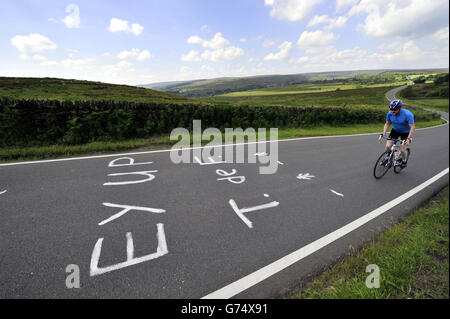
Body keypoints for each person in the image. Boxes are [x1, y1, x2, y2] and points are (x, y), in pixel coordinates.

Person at [380, 99, 415, 168]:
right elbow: (387, 124)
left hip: (405, 133)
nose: (393, 111)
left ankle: (404, 161)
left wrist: (408, 139)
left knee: (402, 149)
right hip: (395, 131)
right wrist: (383, 133)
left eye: (395, 109)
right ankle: (388, 158)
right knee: (387, 147)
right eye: (391, 109)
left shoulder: (407, 114)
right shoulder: (390, 113)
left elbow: (412, 127)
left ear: (400, 108)